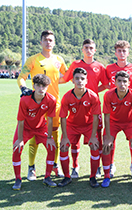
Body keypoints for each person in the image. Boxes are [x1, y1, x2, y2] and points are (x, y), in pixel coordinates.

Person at [17, 30, 67, 180]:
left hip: (54, 104)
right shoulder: (33, 59)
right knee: (34, 136)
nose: (48, 42)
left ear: (54, 42)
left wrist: (56, 81)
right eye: (45, 40)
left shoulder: (59, 60)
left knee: (55, 137)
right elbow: (21, 77)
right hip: (36, 104)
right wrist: (23, 88)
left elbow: (67, 76)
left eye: (51, 40)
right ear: (41, 42)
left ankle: (54, 165)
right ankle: (31, 168)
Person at [59, 39, 109, 179]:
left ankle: (97, 168)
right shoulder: (75, 64)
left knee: (96, 139)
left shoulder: (100, 66)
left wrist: (92, 92)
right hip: (76, 103)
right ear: (82, 49)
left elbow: (105, 85)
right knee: (74, 141)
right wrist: (48, 80)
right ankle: (75, 166)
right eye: (86, 47)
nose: (88, 50)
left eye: (91, 47)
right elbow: (66, 79)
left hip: (93, 106)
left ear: (95, 50)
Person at [12, 74, 57, 190]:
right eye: (38, 86)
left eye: (44, 86)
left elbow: (50, 119)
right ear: (33, 86)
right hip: (25, 127)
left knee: (52, 147)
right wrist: (20, 139)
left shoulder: (51, 100)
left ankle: (47, 177)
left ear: (47, 87)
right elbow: (20, 121)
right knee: (17, 148)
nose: (41, 89)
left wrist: (49, 137)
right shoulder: (25, 99)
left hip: (41, 128)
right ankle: (18, 179)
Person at [58, 68, 101, 188]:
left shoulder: (92, 96)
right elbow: (63, 117)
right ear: (72, 80)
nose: (79, 81)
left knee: (94, 146)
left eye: (82, 79)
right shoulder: (67, 97)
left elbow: (96, 117)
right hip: (72, 126)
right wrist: (65, 137)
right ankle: (67, 177)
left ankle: (92, 177)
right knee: (64, 146)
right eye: (77, 78)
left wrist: (93, 136)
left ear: (86, 81)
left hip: (88, 125)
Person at [104, 40, 132, 177]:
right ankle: (110, 165)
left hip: (129, 112)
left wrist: (127, 96)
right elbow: (106, 84)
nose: (122, 53)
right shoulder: (108, 68)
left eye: (124, 50)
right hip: (114, 111)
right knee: (108, 142)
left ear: (128, 52)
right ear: (115, 52)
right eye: (119, 50)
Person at [101, 71, 132, 188]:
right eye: (119, 81)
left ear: (129, 83)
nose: (122, 84)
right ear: (114, 82)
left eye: (125, 81)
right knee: (106, 146)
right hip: (113, 122)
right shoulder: (108, 95)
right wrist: (108, 137)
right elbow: (107, 116)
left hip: (129, 123)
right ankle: (107, 176)